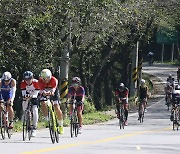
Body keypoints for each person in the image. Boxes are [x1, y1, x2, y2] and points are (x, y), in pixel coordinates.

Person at [38, 69, 64, 135]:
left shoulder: (54, 80)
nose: (45, 80)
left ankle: (61, 125)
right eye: (44, 79)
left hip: (54, 92)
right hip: (45, 92)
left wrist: (51, 92)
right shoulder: (40, 81)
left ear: (50, 77)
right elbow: (40, 90)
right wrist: (43, 92)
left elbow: (54, 89)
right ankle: (47, 119)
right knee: (43, 103)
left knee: (56, 107)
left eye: (47, 78)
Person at [20, 71, 40, 137]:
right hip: (28, 95)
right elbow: (23, 92)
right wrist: (25, 97)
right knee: (24, 103)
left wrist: (33, 96)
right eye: (26, 80)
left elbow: (37, 92)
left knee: (35, 110)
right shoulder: (23, 83)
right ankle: (25, 113)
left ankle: (34, 127)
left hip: (35, 96)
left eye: (29, 79)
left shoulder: (36, 82)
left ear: (32, 78)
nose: (27, 81)